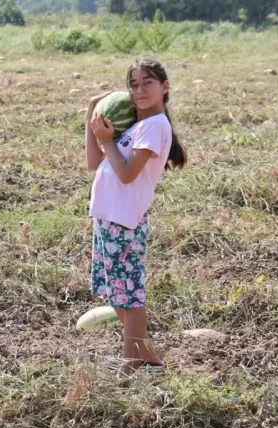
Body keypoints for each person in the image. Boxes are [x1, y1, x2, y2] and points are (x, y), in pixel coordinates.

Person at [84, 56, 187, 375]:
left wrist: (106, 141)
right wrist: (92, 113)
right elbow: (92, 162)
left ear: (164, 87)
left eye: (148, 83)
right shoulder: (139, 125)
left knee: (130, 296)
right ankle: (149, 358)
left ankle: (130, 365)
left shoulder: (155, 127)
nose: (139, 90)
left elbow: (128, 174)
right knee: (117, 293)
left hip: (125, 220)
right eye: (134, 84)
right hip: (108, 216)